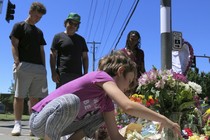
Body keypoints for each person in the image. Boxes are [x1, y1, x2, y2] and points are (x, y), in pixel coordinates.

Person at [29, 50, 181, 140]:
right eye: (129, 81)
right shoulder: (101, 76)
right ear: (120, 71)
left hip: (61, 127)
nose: (128, 88)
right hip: (40, 121)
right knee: (71, 101)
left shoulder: (106, 101)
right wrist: (164, 119)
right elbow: (127, 106)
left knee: (103, 116)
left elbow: (115, 136)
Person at [10, 2, 48, 136]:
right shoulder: (19, 26)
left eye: (40, 17)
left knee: (35, 98)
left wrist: (44, 67)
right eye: (36, 15)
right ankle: (17, 124)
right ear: (30, 11)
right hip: (24, 65)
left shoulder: (39, 32)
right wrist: (17, 62)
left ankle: (33, 126)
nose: (37, 19)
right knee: (19, 96)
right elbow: (14, 44)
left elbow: (41, 50)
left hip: (39, 68)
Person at [50, 12, 89, 88]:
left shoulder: (81, 40)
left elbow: (85, 57)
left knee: (76, 98)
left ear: (77, 26)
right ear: (66, 23)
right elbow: (52, 55)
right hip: (62, 75)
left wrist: (86, 74)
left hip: (78, 76)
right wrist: (53, 73)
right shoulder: (58, 37)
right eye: (70, 23)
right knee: (61, 98)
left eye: (75, 24)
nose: (72, 26)